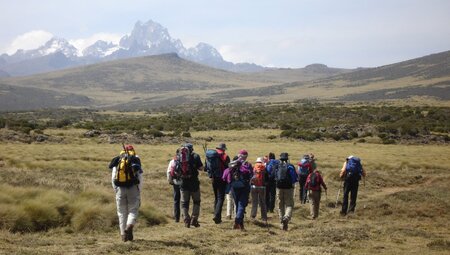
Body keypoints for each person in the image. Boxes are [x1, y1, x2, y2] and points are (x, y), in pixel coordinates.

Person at [109, 144, 143, 242]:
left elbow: (113, 177)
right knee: (133, 210)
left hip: (120, 188)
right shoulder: (135, 159)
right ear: (133, 150)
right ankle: (129, 226)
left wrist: (116, 189)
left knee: (121, 213)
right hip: (133, 188)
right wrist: (138, 190)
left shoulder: (119, 160)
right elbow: (140, 177)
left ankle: (123, 235)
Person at [172, 143, 204, 228]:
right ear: (191, 149)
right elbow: (201, 168)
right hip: (194, 182)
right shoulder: (196, 156)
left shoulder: (178, 157)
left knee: (184, 203)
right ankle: (194, 219)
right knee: (196, 201)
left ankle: (186, 220)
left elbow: (174, 170)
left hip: (183, 183)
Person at [222, 151, 252, 230]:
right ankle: (237, 220)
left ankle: (241, 225)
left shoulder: (232, 166)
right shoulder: (247, 165)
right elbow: (251, 175)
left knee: (238, 205)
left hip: (234, 188)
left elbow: (224, 177)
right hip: (244, 188)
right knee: (241, 205)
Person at [206, 143, 230, 224]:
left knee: (216, 197)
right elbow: (228, 168)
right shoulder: (225, 156)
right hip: (222, 179)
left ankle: (217, 218)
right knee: (220, 198)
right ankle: (216, 216)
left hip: (213, 178)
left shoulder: (210, 155)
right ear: (223, 149)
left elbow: (206, 168)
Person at [275, 152, 297, 231]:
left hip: (279, 188)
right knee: (289, 205)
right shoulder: (290, 166)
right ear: (287, 158)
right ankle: (286, 218)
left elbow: (274, 176)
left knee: (280, 205)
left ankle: (281, 221)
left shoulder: (277, 166)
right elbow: (294, 178)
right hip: (288, 188)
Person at [250, 157, 268, 221]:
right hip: (262, 187)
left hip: (254, 187)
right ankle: (264, 217)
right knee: (263, 202)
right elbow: (266, 177)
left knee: (254, 202)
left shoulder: (254, 167)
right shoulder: (264, 167)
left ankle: (253, 215)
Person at [167, 149, 181, 222]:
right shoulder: (185, 161)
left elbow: (169, 172)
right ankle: (186, 217)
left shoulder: (173, 161)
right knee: (185, 201)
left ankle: (176, 218)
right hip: (184, 182)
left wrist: (170, 181)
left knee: (176, 200)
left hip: (175, 182)